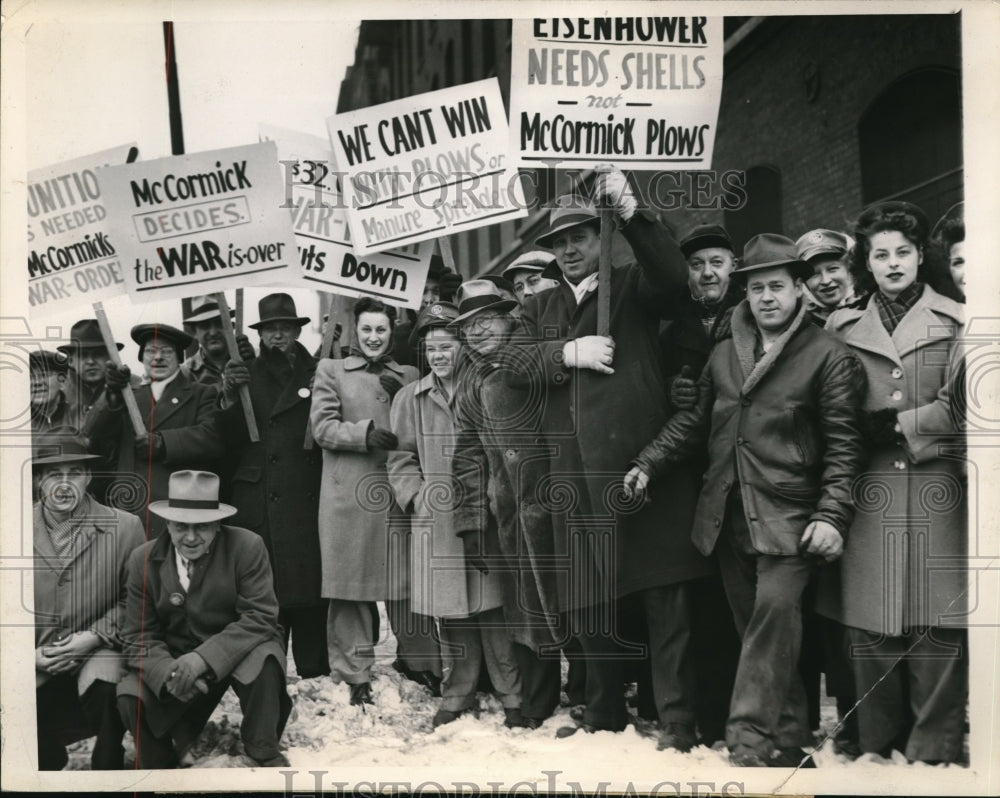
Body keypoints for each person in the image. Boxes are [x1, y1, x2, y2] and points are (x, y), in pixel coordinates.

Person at [624, 233, 867, 767]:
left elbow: (845, 447)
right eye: (757, 289)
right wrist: (648, 461)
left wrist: (832, 514)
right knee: (762, 632)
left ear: (799, 289)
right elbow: (694, 422)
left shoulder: (828, 355)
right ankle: (788, 743)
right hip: (728, 515)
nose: (766, 298)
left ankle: (748, 737)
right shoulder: (723, 354)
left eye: (776, 286)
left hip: (789, 516)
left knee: (771, 622)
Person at [510, 167, 712, 749]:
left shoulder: (632, 285)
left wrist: (630, 212)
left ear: (600, 238)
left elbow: (674, 279)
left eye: (580, 236)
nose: (570, 249)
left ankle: (677, 719)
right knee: (591, 603)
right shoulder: (541, 306)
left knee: (665, 599)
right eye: (560, 243)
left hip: (641, 469)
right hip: (576, 477)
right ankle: (603, 713)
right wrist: (566, 352)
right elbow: (512, 365)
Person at [816, 200, 967, 764]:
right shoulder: (841, 326)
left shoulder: (957, 319)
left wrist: (899, 425)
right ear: (867, 262)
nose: (894, 263)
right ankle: (877, 753)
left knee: (937, 626)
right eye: (881, 255)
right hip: (869, 493)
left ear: (920, 255)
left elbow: (967, 404)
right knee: (872, 626)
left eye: (903, 252)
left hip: (936, 492)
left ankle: (934, 757)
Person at [388, 299, 527, 728]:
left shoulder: (484, 385)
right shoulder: (410, 398)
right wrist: (417, 497)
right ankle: (458, 692)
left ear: (462, 346)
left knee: (493, 608)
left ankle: (512, 695)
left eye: (446, 346)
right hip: (436, 521)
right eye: (431, 349)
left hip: (484, 514)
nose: (438, 356)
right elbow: (399, 457)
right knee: (451, 613)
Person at [311, 297, 439, 705]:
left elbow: (429, 422)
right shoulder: (331, 370)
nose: (373, 337)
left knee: (407, 585)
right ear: (355, 330)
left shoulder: (410, 373)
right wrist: (364, 434)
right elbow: (322, 428)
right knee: (351, 588)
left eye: (381, 329)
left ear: (391, 331)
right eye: (366, 329)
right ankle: (354, 672)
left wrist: (406, 397)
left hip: (397, 494)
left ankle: (422, 662)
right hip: (348, 496)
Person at [117, 470, 291, 768]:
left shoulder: (247, 546)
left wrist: (202, 659)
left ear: (218, 525)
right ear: (167, 524)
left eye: (202, 527)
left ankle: (262, 746)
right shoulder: (142, 559)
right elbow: (137, 636)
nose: (191, 537)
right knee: (129, 693)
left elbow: (260, 617)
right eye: (181, 527)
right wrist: (167, 672)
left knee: (265, 658)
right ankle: (159, 759)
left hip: (239, 649)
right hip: (175, 657)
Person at [654, 222, 744, 746]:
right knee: (704, 598)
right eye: (696, 264)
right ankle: (711, 716)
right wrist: (672, 389)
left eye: (716, 262)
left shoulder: (750, 316)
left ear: (733, 267)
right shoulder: (672, 331)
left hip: (746, 474)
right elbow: (655, 396)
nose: (707, 273)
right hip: (694, 479)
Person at [215, 293, 330, 680]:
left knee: (311, 598)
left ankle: (316, 680)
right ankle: (267, 683)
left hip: (309, 498)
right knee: (265, 600)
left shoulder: (320, 370)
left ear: (297, 331)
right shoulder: (245, 374)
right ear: (260, 334)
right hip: (261, 501)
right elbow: (225, 440)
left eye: (285, 328)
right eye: (270, 329)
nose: (278, 335)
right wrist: (229, 394)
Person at [32, 431, 145, 770]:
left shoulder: (125, 527)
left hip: (98, 650)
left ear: (89, 477)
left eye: (75, 473)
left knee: (108, 686)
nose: (64, 484)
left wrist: (94, 636)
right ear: (38, 480)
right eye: (54, 474)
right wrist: (25, 656)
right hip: (35, 655)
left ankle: (107, 765)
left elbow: (138, 600)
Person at [84, 323, 224, 534]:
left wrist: (163, 443)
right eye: (151, 351)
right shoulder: (127, 396)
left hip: (178, 513)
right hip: (130, 513)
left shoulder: (201, 394)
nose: (158, 357)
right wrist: (111, 394)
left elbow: (212, 438)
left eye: (167, 351)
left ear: (179, 357)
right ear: (141, 357)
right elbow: (93, 437)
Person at [391, 255, 463, 367]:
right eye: (422, 292)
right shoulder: (396, 338)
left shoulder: (463, 332)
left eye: (437, 291)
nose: (429, 300)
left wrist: (445, 313)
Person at [794, 229, 864, 322]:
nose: (826, 281)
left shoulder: (873, 307)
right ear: (803, 283)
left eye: (833, 269)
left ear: (849, 270)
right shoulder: (800, 323)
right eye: (814, 274)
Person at [181, 299, 249, 389]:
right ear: (195, 332)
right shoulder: (185, 373)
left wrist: (253, 364)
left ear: (232, 327)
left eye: (219, 323)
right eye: (205, 326)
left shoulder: (248, 360)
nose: (213, 332)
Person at [29, 350, 72, 434]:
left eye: (44, 375)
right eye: (30, 377)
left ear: (62, 381)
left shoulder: (80, 416)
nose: (37, 382)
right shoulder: (16, 422)